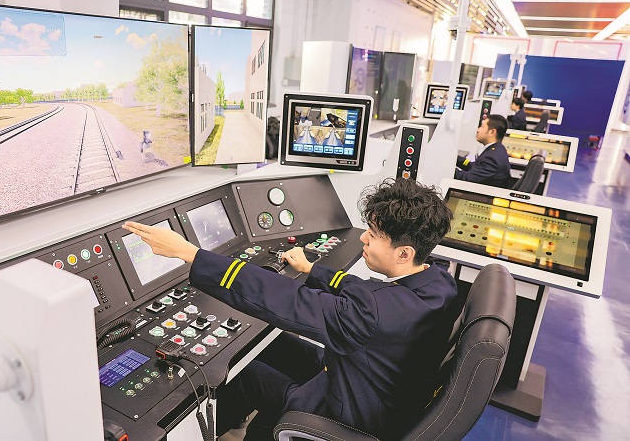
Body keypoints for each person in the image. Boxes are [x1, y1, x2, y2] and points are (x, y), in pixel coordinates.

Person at [122, 178, 459, 440]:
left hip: (347, 415)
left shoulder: (372, 313)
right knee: (275, 345)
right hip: (379, 388)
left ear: (404, 253)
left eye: (372, 234)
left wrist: (191, 255)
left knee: (246, 374)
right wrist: (313, 270)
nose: (363, 239)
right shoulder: (439, 283)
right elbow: (368, 292)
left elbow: (287, 298)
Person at [455, 114, 512, 188]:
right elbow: (475, 167)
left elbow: (467, 178)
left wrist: (447, 168)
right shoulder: (497, 149)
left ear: (492, 132)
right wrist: (454, 158)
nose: (478, 130)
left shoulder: (491, 157)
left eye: (482, 126)